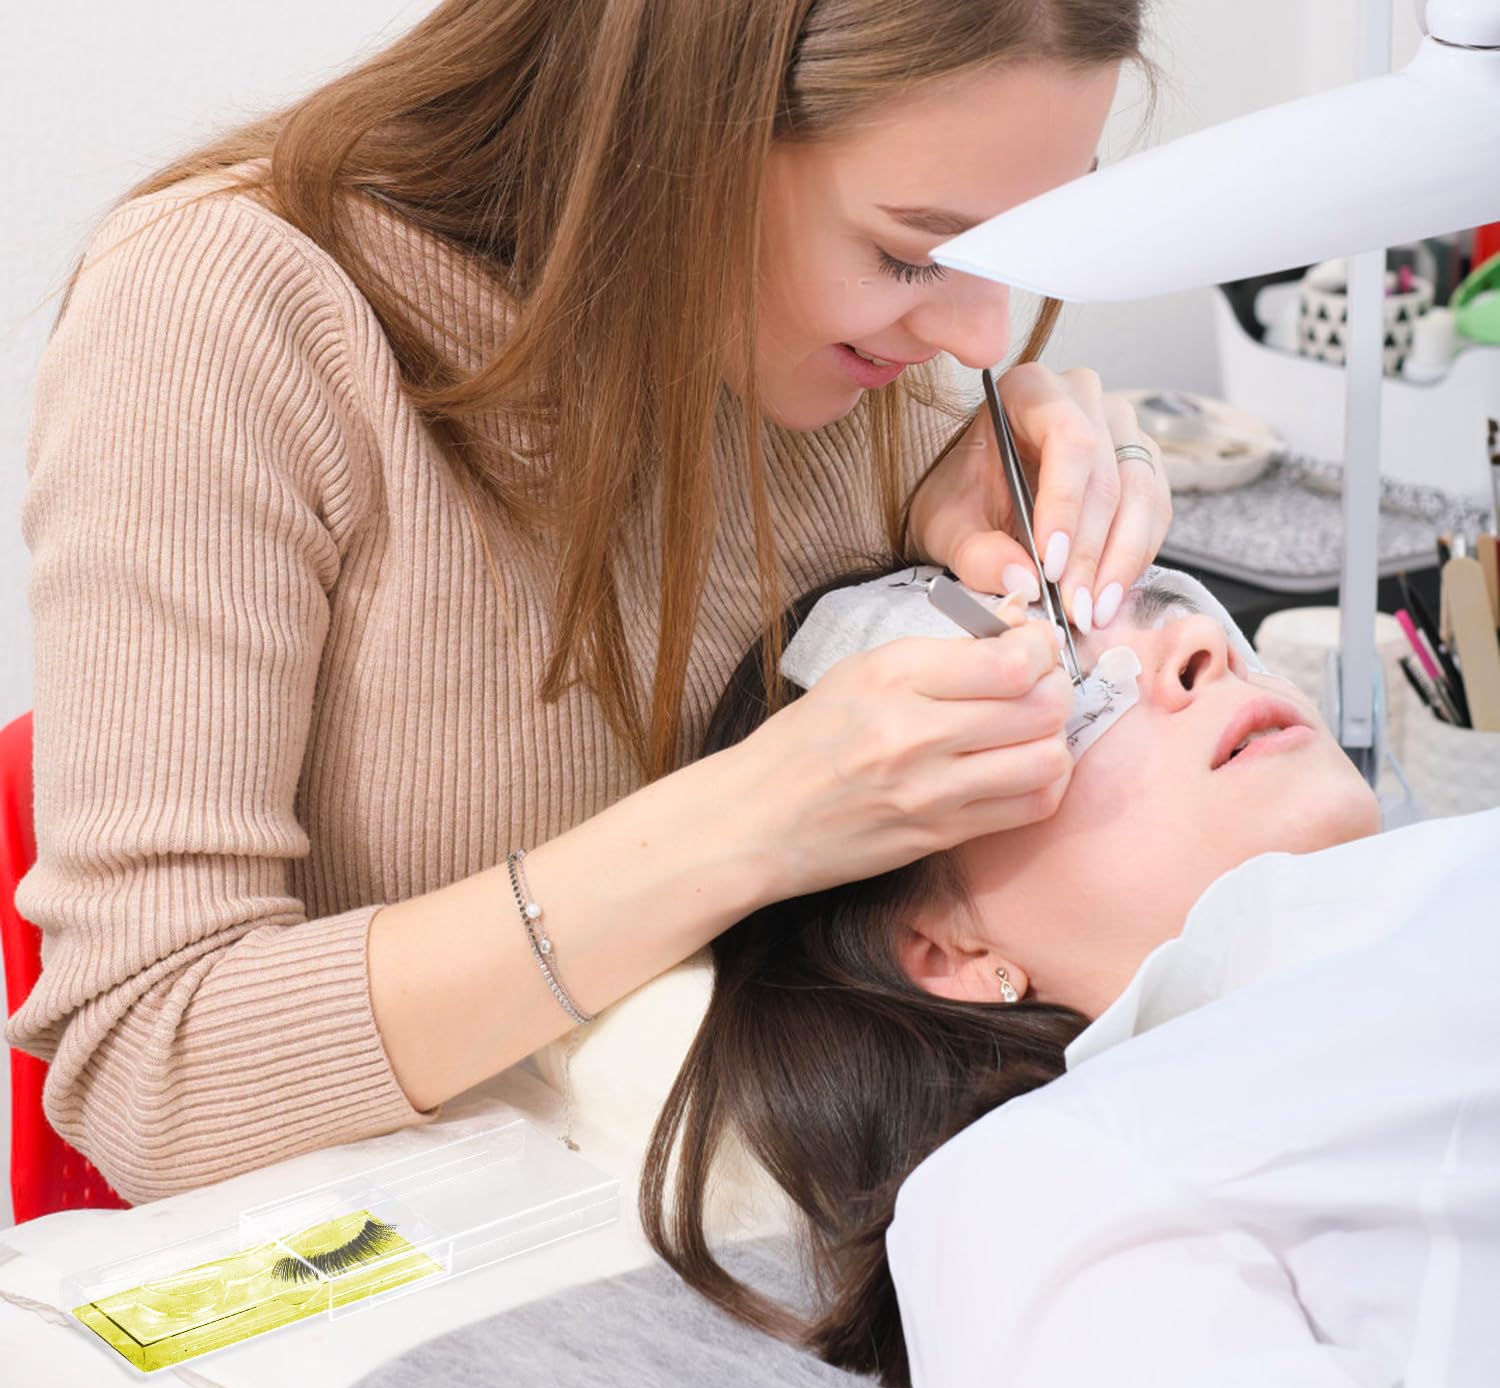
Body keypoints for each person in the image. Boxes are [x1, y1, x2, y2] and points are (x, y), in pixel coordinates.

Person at [6, 1, 1171, 1202]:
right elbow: (154, 1072)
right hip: (396, 1266)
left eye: (1032, 247)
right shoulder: (233, 311)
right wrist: (748, 824)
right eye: (911, 255)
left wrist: (1007, 482)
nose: (978, 340)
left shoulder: (853, 367)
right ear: (673, 126)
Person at [643, 562, 1500, 1388]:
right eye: (1051, 683)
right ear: (946, 950)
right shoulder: (1034, 1182)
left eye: (1175, 608)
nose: (1202, 645)